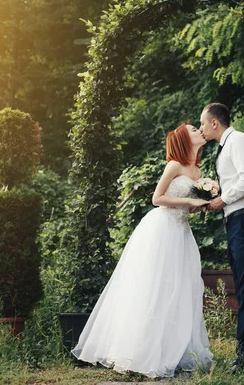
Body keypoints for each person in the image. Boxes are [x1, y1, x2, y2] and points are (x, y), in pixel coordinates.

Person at [72, 123, 213, 378]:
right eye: (194, 129)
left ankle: (174, 351)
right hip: (162, 230)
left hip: (182, 233)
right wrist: (189, 200)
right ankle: (142, 352)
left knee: (179, 288)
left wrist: (199, 205)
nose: (199, 132)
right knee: (155, 287)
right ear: (184, 139)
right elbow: (157, 199)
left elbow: (186, 207)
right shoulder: (174, 165)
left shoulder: (198, 170)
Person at [199, 103, 244, 369]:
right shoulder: (225, 146)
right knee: (243, 286)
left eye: (202, 123)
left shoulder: (238, 140)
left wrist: (222, 199)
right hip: (235, 222)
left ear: (215, 122)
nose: (201, 128)